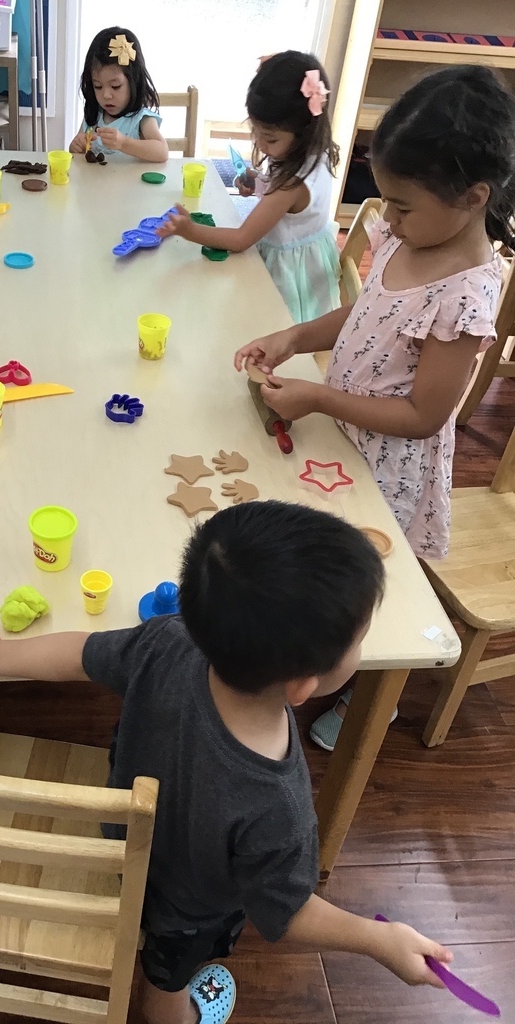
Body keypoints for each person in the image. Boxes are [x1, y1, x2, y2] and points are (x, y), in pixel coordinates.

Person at [0, 501, 453, 1024]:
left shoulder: (167, 640)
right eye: (359, 641)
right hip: (185, 913)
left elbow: (81, 653)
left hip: (118, 838)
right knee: (168, 979)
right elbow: (287, 911)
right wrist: (378, 939)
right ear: (302, 686)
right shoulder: (279, 802)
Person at [234, 65, 515, 751]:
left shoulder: (468, 295)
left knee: (367, 583)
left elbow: (423, 417)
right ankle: (315, 653)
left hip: (391, 468)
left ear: (474, 198)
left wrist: (316, 396)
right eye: (387, 202)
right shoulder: (406, 236)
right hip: (345, 437)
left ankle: (371, 695)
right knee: (325, 563)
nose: (387, 219)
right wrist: (296, 336)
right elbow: (364, 315)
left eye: (402, 206)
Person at [156, 51, 341, 323]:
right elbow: (291, 209)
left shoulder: (292, 184)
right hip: (306, 256)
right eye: (256, 133)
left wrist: (189, 230)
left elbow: (241, 239)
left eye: (270, 139)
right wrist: (260, 183)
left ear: (304, 132)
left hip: (288, 279)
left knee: (263, 326)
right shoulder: (313, 153)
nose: (261, 145)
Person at [68, 26, 168, 163]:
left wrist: (124, 143)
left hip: (131, 178)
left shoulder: (141, 118)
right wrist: (76, 147)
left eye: (115, 86)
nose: (106, 95)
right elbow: (77, 157)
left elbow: (162, 152)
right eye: (98, 86)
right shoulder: (93, 115)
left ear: (134, 82)